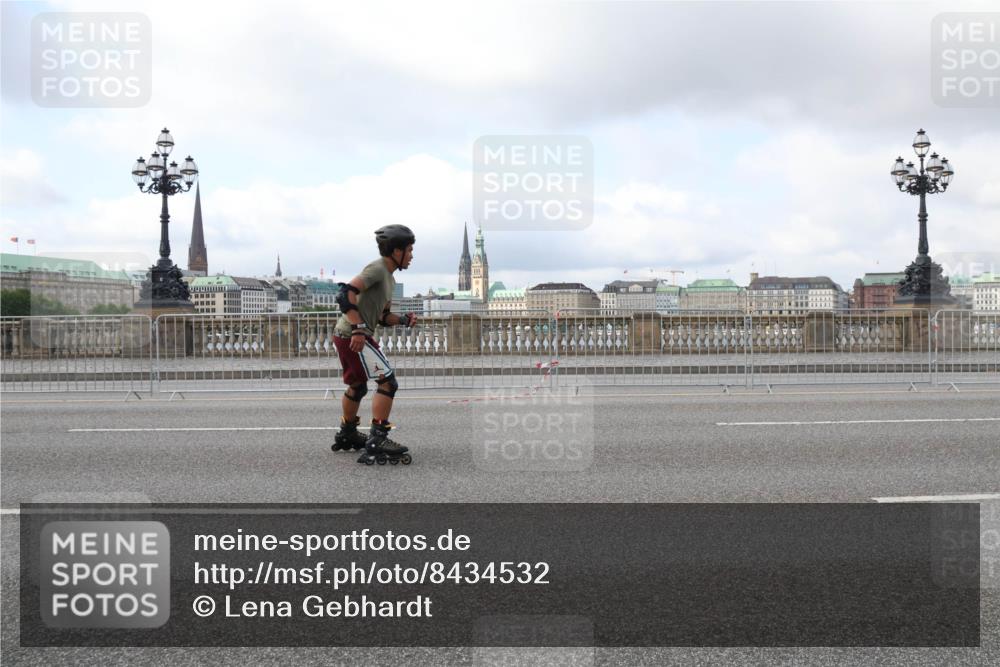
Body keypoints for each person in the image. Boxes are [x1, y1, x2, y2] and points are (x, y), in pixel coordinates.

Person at [331, 225, 418, 464]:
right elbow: (345, 293)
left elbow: (382, 317)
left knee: (358, 385)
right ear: (396, 251)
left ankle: (347, 432)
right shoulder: (378, 269)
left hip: (348, 333)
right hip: (353, 334)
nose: (412, 255)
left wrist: (402, 319)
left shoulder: (389, 278)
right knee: (388, 383)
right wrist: (359, 329)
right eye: (409, 250)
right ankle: (378, 437)